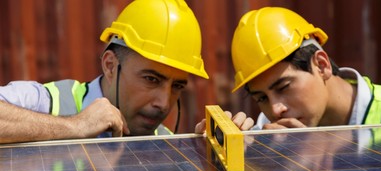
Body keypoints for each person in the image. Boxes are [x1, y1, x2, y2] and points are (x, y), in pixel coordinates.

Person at [0, 0, 252, 144]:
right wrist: (74, 126)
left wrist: (201, 159)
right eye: (151, 79)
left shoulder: (163, 144)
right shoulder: (46, 102)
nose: (163, 103)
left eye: (177, 86)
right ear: (110, 65)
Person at [231, 7, 381, 130]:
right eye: (262, 98)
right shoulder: (267, 131)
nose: (275, 110)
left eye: (284, 87)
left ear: (322, 66)